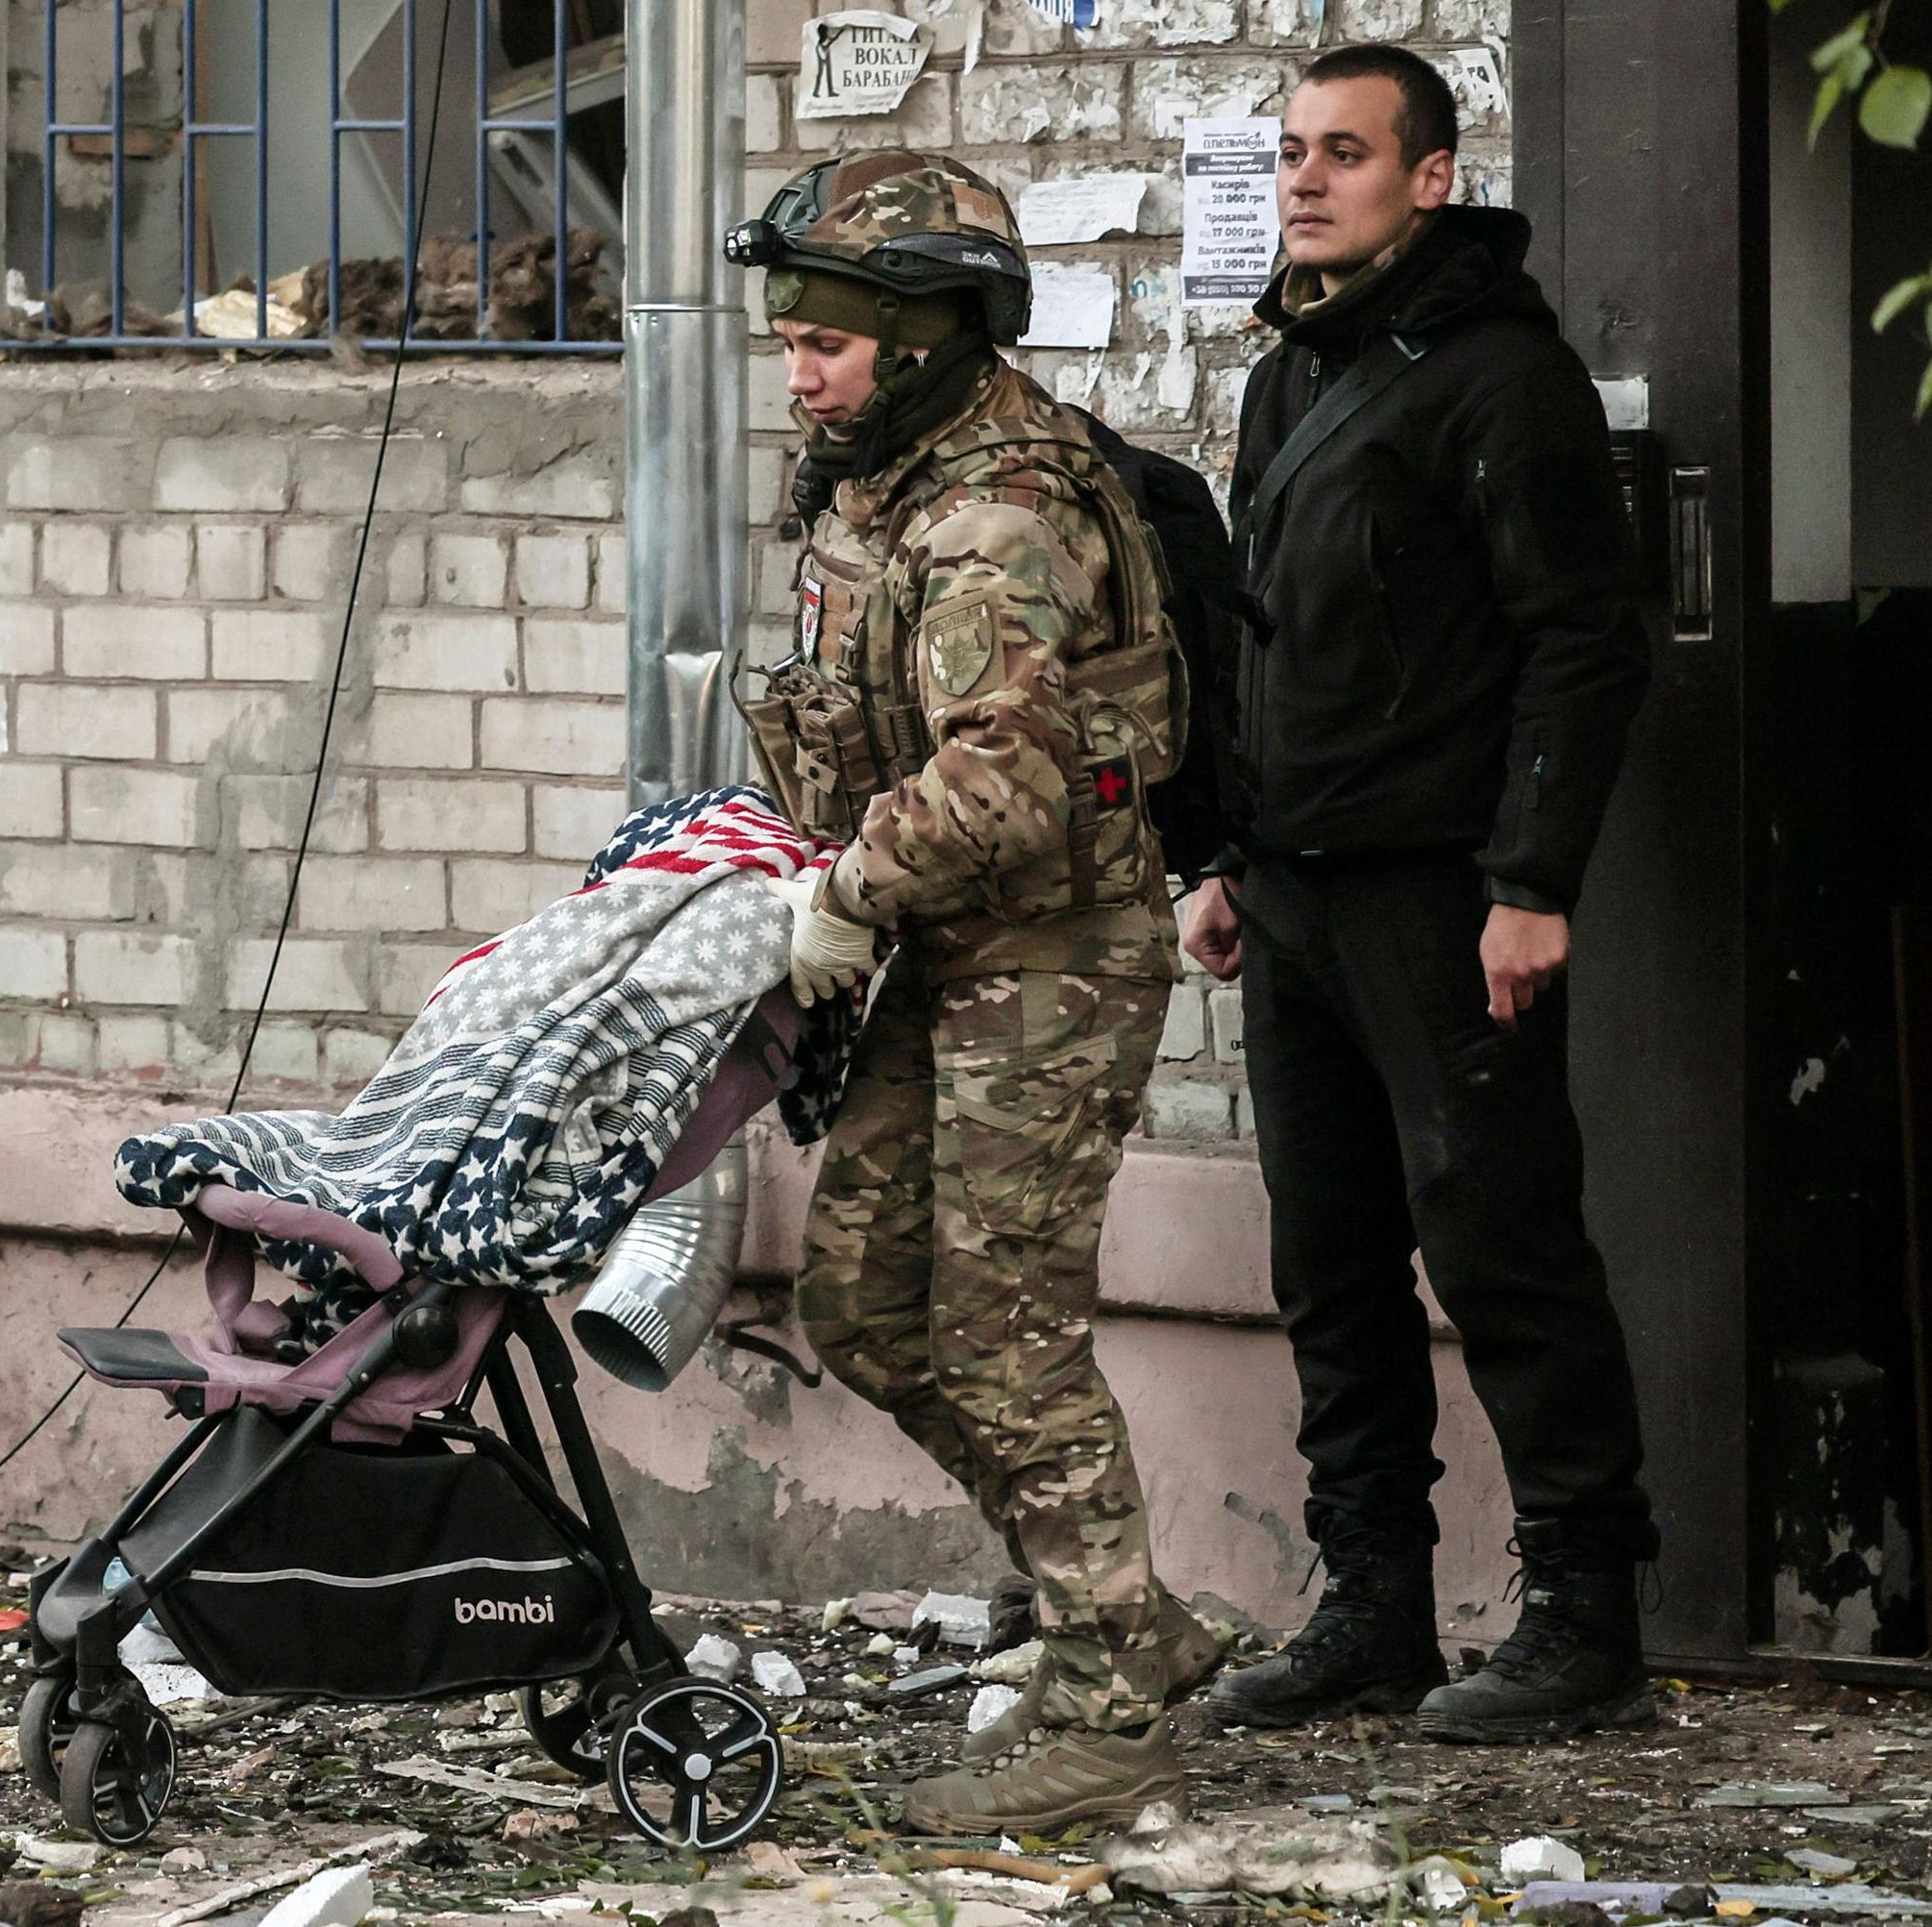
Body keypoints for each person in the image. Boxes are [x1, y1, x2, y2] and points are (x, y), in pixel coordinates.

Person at [728, 150, 1220, 1833]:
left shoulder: (996, 509)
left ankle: (1108, 1717)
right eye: (788, 337)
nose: (799, 371)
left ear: (926, 335)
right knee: (866, 1309)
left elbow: (1002, 773)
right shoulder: (869, 481)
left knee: (1005, 1342)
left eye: (829, 342)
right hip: (942, 954)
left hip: (1051, 964)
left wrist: (844, 898)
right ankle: (1133, 1620)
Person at [1182, 45, 1657, 1743]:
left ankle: (1588, 1613)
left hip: (1447, 897)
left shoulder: (1497, 382)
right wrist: (1228, 854)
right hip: (1297, 896)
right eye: (1294, 153)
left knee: (1502, 1248)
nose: (1307, 182)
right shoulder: (1290, 378)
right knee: (1327, 1265)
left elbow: (1583, 649)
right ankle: (1373, 1607)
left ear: (1433, 176)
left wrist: (1531, 883)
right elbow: (1262, 642)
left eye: (1348, 155)